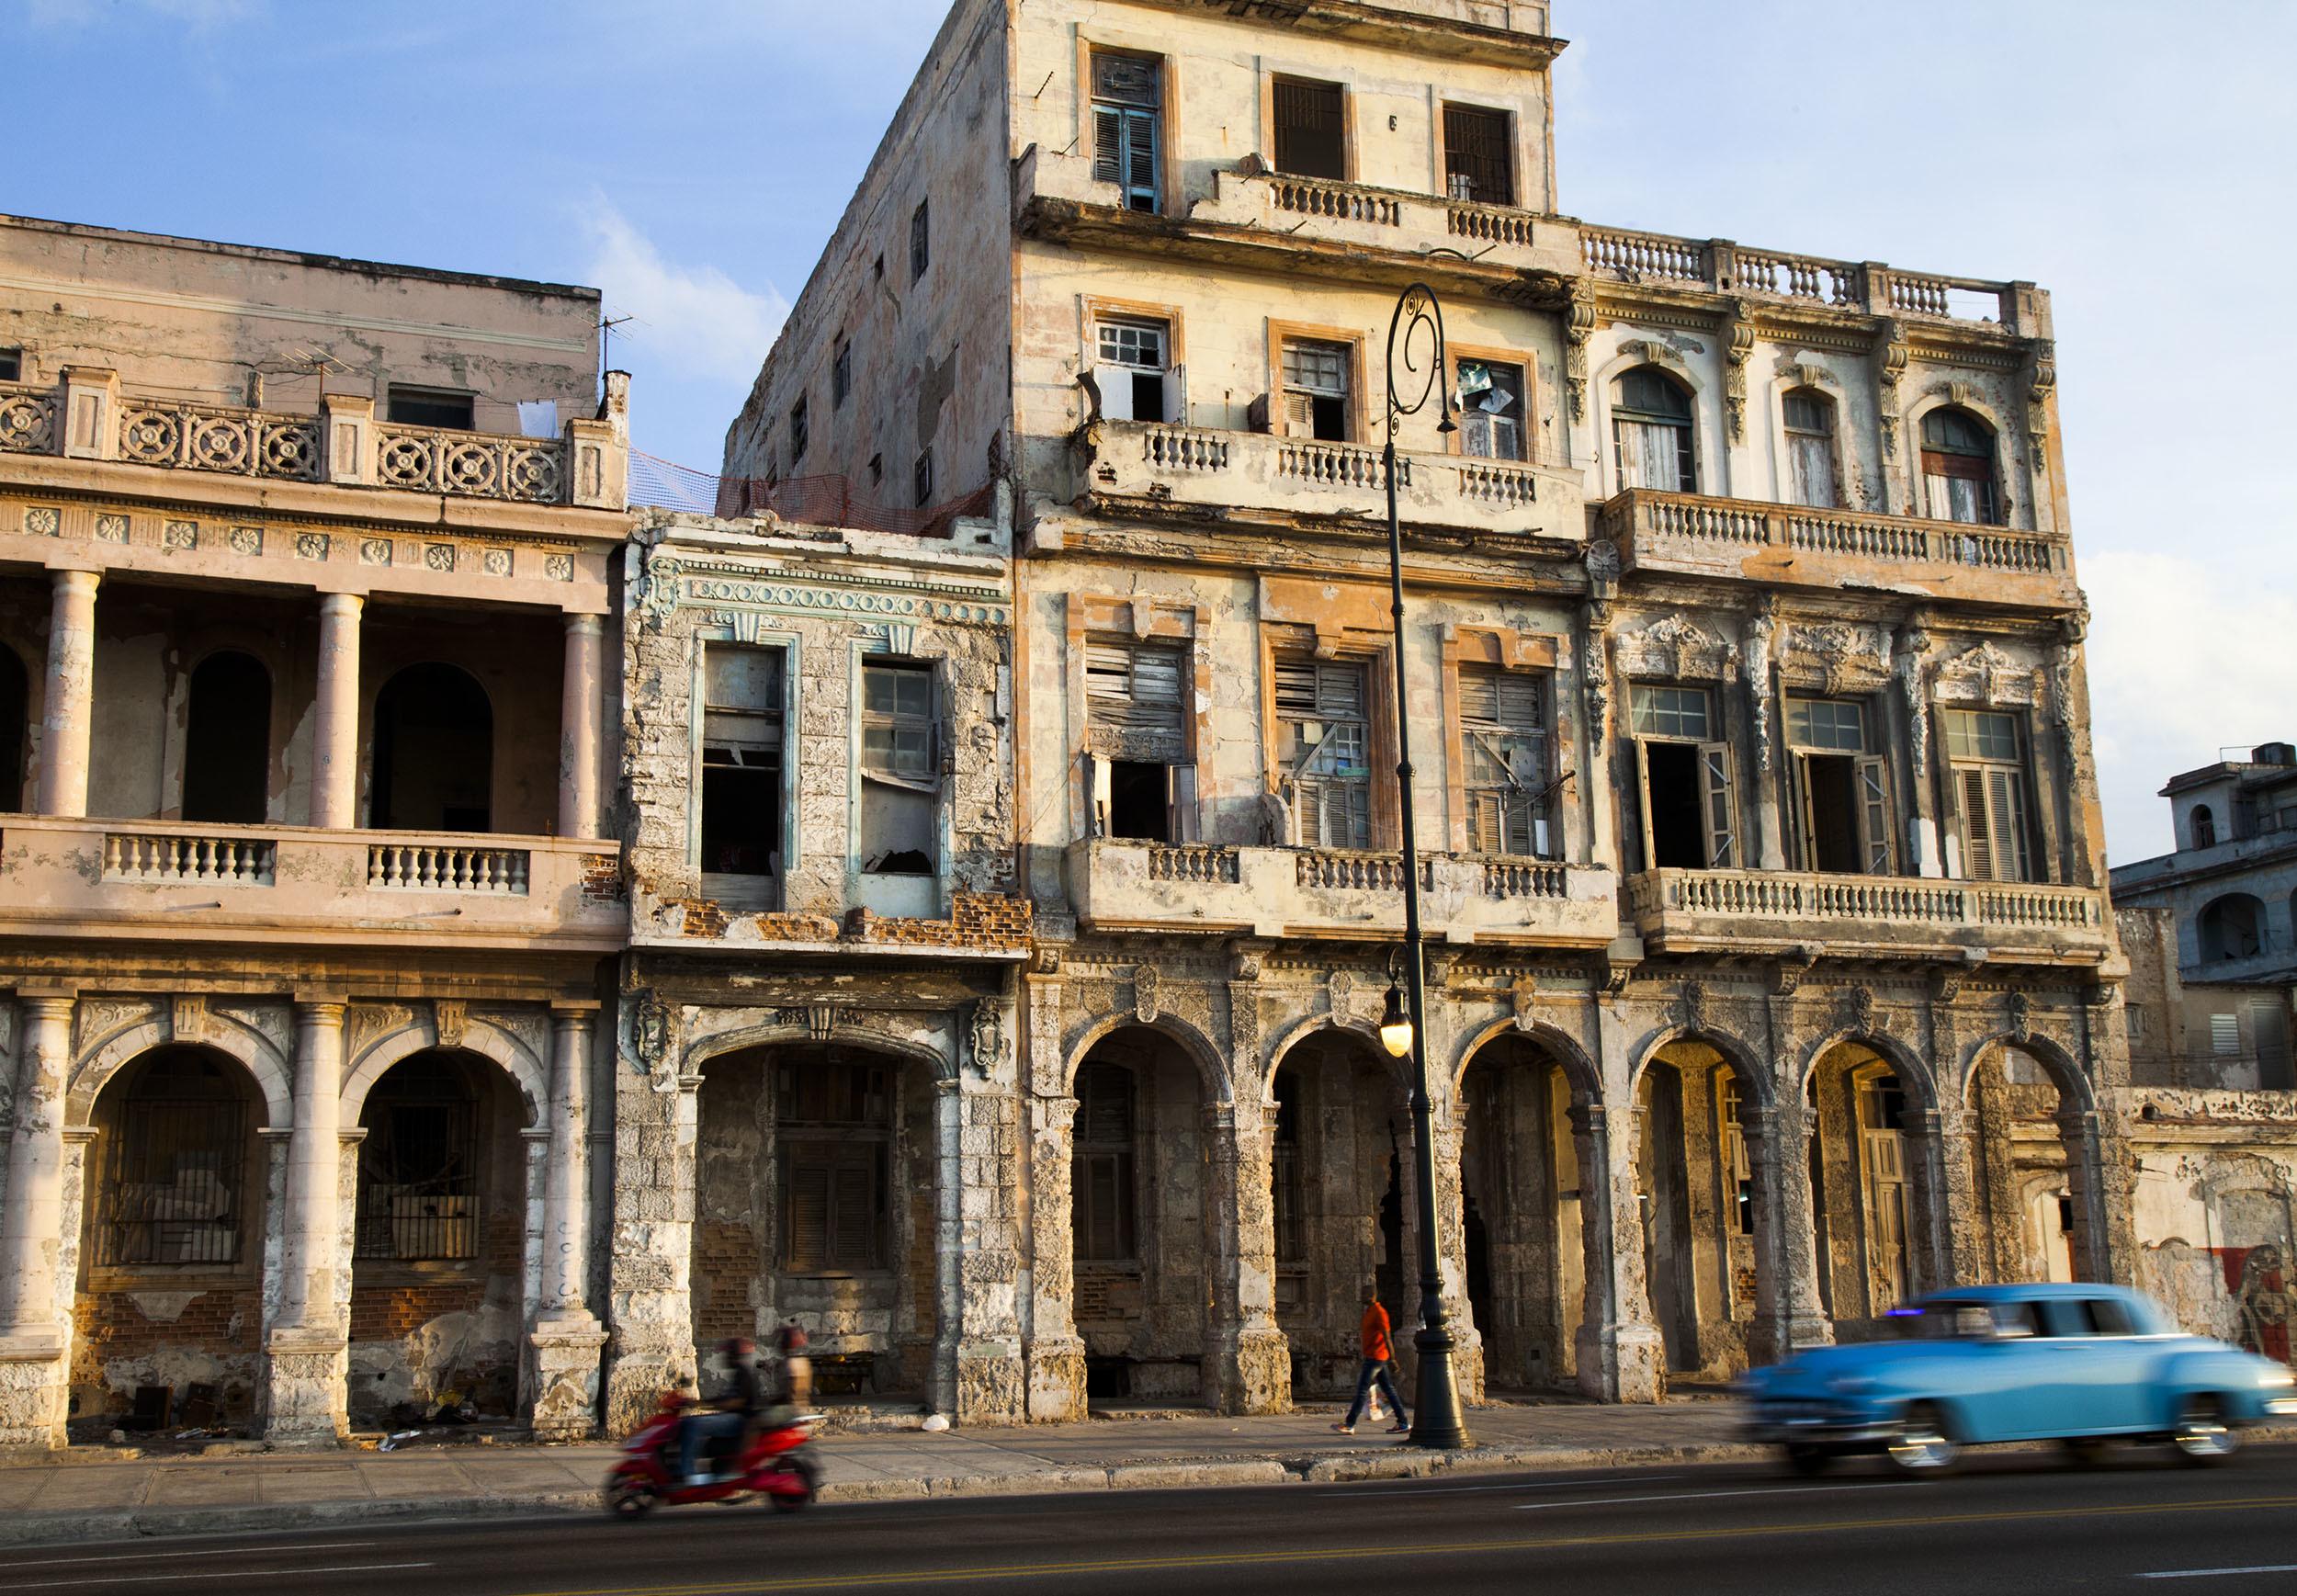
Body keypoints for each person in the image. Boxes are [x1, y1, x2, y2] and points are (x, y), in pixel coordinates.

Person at [679, 1336, 762, 1486]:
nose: (725, 1358)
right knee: (686, 1422)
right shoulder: (739, 1373)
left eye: (728, 1355)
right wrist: (698, 1403)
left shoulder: (743, 1373)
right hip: (734, 1418)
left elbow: (734, 1403)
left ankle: (688, 1473)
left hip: (740, 1421)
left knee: (693, 1424)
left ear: (734, 1355)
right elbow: (723, 1399)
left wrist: (703, 1404)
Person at [1335, 1286, 1409, 1435]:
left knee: (1362, 1390)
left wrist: (1393, 1359)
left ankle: (1350, 1424)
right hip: (1373, 1357)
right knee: (1389, 1390)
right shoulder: (1369, 1312)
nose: (1361, 1296)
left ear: (1372, 1296)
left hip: (1377, 1358)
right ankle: (1403, 1422)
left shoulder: (1379, 1313)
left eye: (1364, 1294)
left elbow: (1387, 1336)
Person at [776, 1319, 813, 1409]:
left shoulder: (791, 1363)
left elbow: (793, 1389)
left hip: (792, 1408)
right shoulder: (803, 1360)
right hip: (801, 1405)